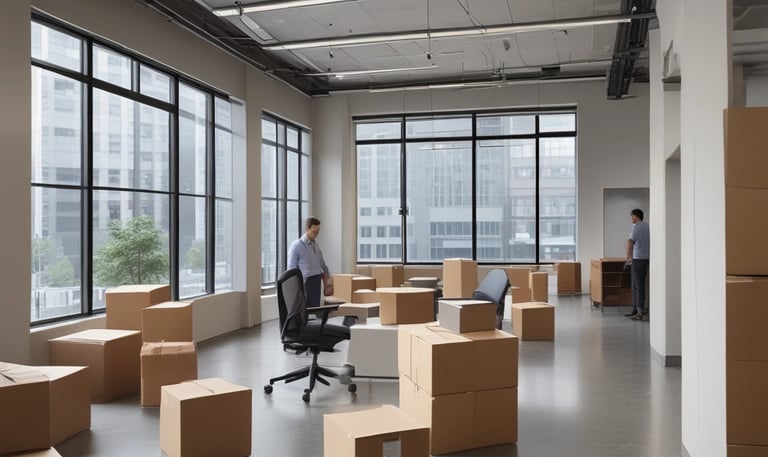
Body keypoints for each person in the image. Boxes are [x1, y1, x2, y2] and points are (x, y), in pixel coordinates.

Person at [287, 217, 330, 307]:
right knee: (303, 309)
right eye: (314, 231)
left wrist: (328, 276)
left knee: (315, 308)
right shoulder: (296, 245)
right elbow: (291, 269)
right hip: (305, 282)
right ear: (307, 228)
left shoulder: (316, 245)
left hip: (316, 280)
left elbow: (322, 262)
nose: (316, 234)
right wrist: (295, 287)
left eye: (318, 231)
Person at [625, 208, 650, 320]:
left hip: (637, 259)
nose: (631, 218)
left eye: (632, 216)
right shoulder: (647, 226)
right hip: (646, 259)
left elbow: (630, 242)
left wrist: (629, 258)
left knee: (636, 286)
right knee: (639, 286)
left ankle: (639, 311)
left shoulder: (637, 227)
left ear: (636, 216)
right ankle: (636, 309)